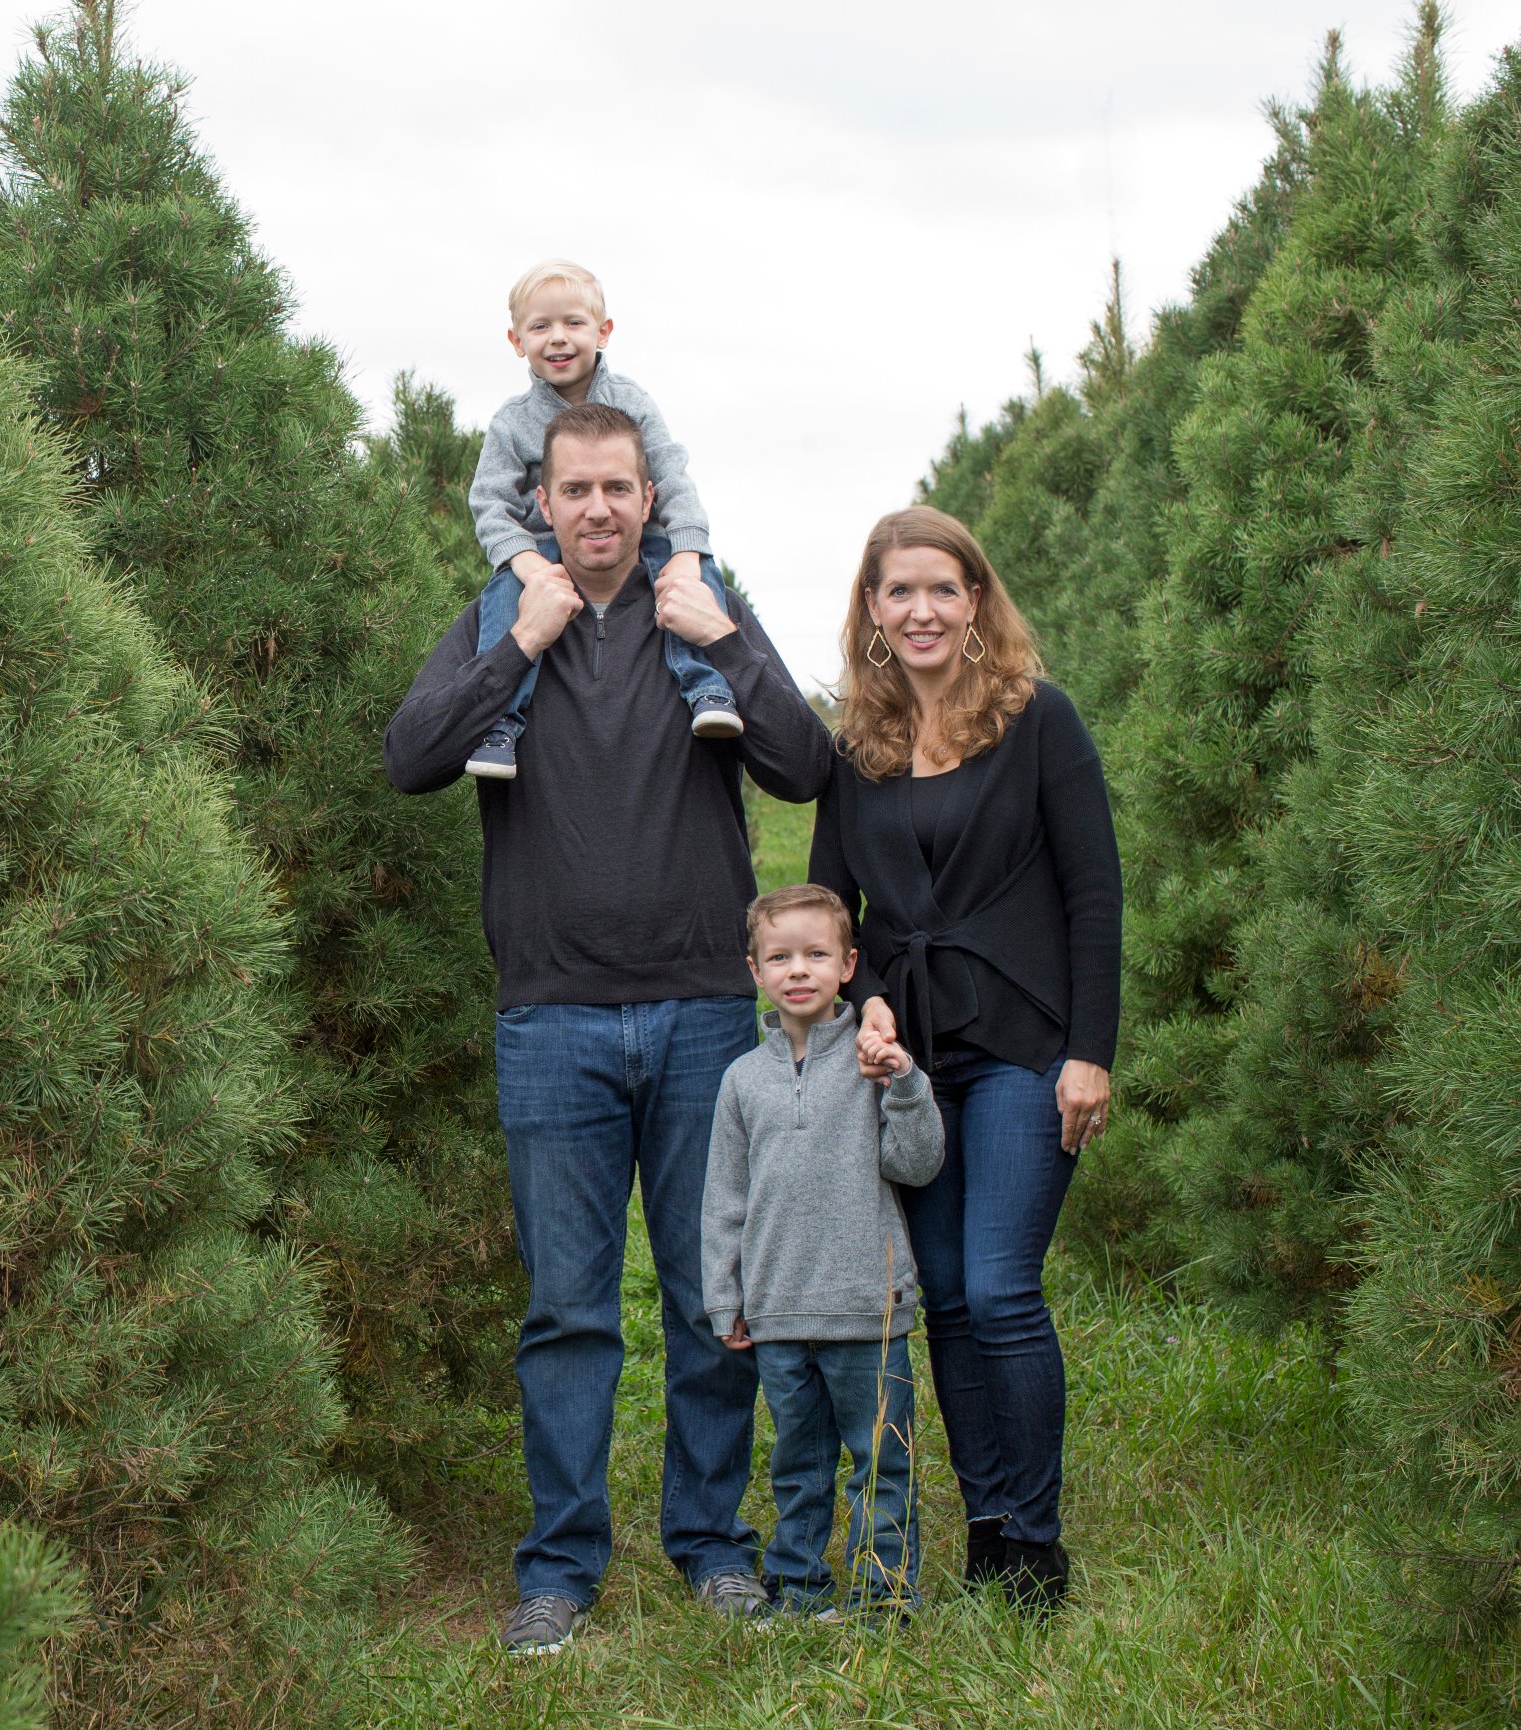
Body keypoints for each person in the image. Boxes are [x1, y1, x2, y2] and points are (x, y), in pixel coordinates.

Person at [385, 400, 833, 1655]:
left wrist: (729, 642)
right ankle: (560, 1563)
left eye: (617, 489)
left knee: (710, 1299)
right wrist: (513, 651)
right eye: (572, 490)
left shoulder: (699, 606)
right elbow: (409, 755)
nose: (595, 510)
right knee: (569, 1310)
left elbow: (807, 765)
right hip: (551, 1021)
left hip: (701, 1014)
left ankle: (711, 1542)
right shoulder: (502, 613)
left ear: (651, 498)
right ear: (542, 504)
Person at [808, 505, 1123, 1614]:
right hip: (916, 1067)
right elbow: (837, 913)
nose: (923, 609)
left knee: (998, 1289)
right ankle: (987, 1526)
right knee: (942, 1296)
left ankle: (1037, 1541)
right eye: (900, 591)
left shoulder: (1040, 721)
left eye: (944, 588)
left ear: (976, 600)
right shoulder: (858, 752)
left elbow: (1094, 891)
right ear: (874, 612)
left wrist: (1091, 1051)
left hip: (1026, 1048)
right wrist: (871, 1002)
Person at [703, 884, 944, 1622]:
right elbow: (725, 1199)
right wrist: (725, 1296)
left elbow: (918, 1163)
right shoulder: (742, 1080)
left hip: (866, 1311)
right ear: (755, 970)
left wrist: (903, 1083)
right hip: (777, 1313)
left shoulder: (875, 1063)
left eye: (815, 954)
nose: (797, 970)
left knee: (881, 1463)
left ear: (848, 966)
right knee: (797, 1466)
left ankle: (884, 1595)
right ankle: (799, 1590)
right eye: (780, 957)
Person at [461, 258, 742, 780]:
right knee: (502, 596)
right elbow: (490, 504)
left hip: (640, 540)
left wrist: (685, 553)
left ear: (603, 331)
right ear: (516, 340)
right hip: (544, 547)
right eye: (540, 326)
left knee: (700, 576)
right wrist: (526, 565)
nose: (558, 338)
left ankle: (708, 688)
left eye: (573, 323)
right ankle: (500, 723)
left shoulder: (632, 402)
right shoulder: (511, 423)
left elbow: (673, 478)